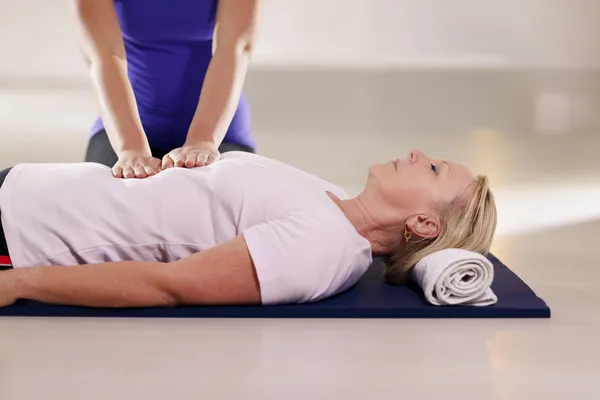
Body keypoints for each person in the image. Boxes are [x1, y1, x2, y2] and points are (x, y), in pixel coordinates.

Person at [0, 149, 497, 308]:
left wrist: (19, 283)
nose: (416, 154)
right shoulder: (329, 197)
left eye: (432, 170)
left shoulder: (321, 248)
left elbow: (169, 285)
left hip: (17, 230)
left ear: (424, 222)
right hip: (23, 185)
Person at [74, 0, 260, 179]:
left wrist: (204, 141)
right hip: (125, 129)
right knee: (101, 202)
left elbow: (236, 46)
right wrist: (131, 149)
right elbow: (103, 56)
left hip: (220, 130)